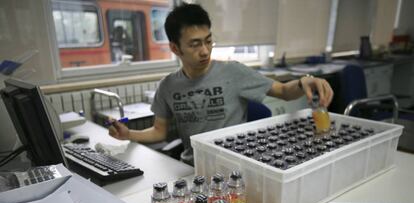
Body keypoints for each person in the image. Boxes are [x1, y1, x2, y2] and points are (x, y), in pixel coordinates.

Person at [109, 3, 334, 165]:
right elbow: (159, 131)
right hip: (193, 168)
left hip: (237, 166)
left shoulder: (232, 72)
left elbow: (284, 91)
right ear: (175, 49)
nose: (205, 51)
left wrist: (305, 81)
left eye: (208, 41)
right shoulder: (168, 86)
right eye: (195, 44)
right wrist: (129, 134)